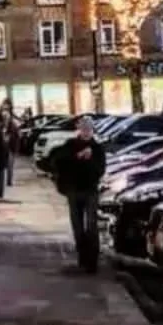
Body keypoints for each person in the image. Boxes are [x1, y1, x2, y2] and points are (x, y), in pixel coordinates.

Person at [50, 116, 107, 272]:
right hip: (74, 190)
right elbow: (57, 161)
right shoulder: (71, 145)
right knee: (77, 226)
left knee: (91, 225)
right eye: (84, 129)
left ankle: (92, 262)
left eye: (89, 129)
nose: (86, 132)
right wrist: (77, 156)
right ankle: (82, 258)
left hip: (90, 191)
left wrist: (89, 159)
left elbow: (99, 171)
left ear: (92, 131)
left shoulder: (97, 149)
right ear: (79, 130)